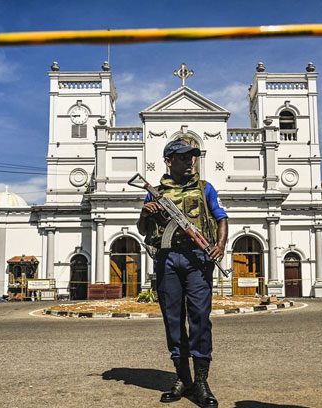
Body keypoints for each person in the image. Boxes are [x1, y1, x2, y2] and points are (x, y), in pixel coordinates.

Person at [136, 139, 228, 408]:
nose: (190, 161)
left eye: (193, 156)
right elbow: (142, 230)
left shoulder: (205, 188)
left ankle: (201, 381)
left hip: (198, 259)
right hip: (167, 259)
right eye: (183, 157)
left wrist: (220, 245)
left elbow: (221, 217)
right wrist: (145, 213)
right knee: (173, 319)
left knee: (200, 318)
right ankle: (183, 378)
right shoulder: (155, 193)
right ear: (169, 161)